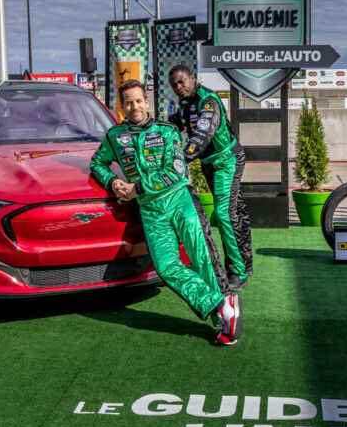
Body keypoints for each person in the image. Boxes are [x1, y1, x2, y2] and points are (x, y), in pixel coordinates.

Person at [90, 79, 242, 346]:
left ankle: (225, 324)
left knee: (202, 258)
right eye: (128, 102)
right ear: (121, 106)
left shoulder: (168, 130)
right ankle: (221, 304)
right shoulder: (115, 136)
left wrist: (136, 188)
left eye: (138, 100)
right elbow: (97, 163)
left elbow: (176, 172)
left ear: (146, 102)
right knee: (166, 267)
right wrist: (112, 182)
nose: (134, 106)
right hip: (151, 211)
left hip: (181, 201)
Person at [168, 65, 253, 290]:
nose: (178, 87)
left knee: (224, 214)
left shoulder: (209, 101)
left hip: (227, 160)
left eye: (181, 81)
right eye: (174, 84)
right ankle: (243, 263)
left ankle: (239, 271)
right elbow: (176, 123)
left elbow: (203, 133)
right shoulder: (185, 103)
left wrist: (182, 158)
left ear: (193, 79)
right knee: (236, 213)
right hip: (209, 163)